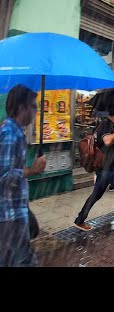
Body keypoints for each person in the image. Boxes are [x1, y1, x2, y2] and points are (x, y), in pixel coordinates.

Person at [0, 85, 46, 267]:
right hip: (9, 215)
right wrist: (33, 169)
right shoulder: (10, 134)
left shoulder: (15, 132)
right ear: (21, 108)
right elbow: (3, 177)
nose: (36, 110)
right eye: (33, 106)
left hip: (14, 210)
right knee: (24, 261)